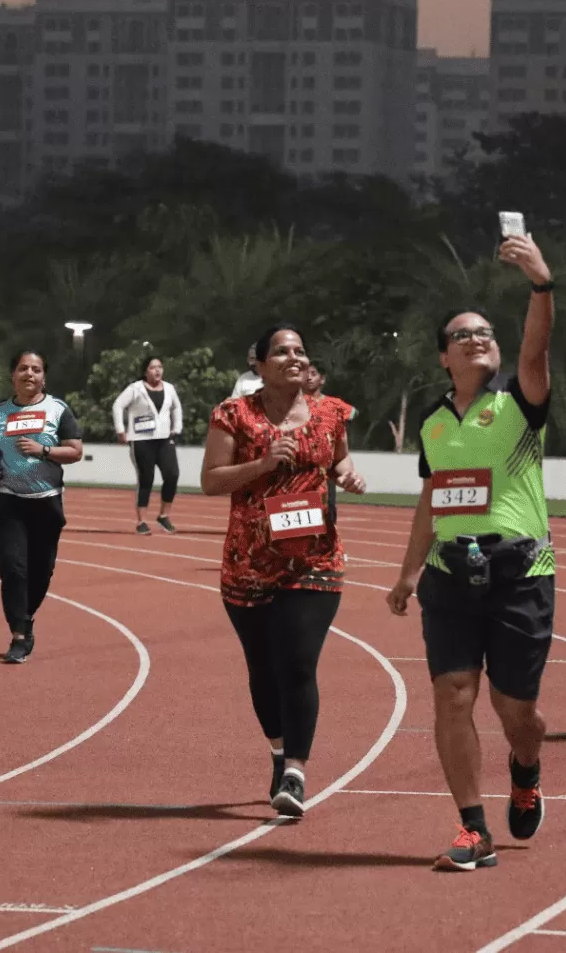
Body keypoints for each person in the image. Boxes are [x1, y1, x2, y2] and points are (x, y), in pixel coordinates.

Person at [385, 231, 556, 872]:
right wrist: (407, 572)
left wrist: (541, 285)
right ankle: (473, 828)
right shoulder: (432, 424)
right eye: (463, 334)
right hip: (450, 579)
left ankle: (526, 766)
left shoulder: (521, 400)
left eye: (485, 332)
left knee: (520, 714)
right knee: (453, 695)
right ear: (442, 358)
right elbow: (434, 498)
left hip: (521, 575)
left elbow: (537, 347)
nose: (478, 339)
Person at [201, 323, 366, 817]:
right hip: (248, 563)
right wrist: (265, 463)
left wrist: (347, 474)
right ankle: (278, 750)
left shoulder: (332, 411)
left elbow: (337, 460)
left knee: (297, 662)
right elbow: (210, 480)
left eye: (299, 351)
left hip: (315, 559)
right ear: (259, 363)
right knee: (263, 670)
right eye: (281, 351)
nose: (293, 358)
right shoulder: (234, 414)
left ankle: (295, 772)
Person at [0, 350, 84, 663]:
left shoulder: (58, 409)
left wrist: (44, 449)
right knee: (13, 569)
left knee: (41, 571)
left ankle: (25, 618)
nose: (29, 375)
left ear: (44, 377)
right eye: (23, 369)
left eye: (36, 369)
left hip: (46, 502)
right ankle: (19, 636)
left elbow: (76, 451)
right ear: (13, 375)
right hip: (7, 501)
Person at [112, 356, 183, 535]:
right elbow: (118, 406)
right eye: (153, 367)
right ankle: (142, 521)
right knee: (146, 479)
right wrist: (121, 430)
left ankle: (164, 516)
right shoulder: (135, 389)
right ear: (145, 371)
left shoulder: (169, 388)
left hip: (164, 438)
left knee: (172, 474)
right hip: (141, 440)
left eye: (160, 366)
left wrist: (177, 427)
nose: (157, 370)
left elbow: (176, 407)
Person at [305, 360, 358, 526]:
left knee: (327, 516)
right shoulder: (288, 404)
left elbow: (353, 413)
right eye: (305, 373)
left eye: (313, 374)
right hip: (297, 477)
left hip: (324, 474)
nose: (308, 377)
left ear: (322, 379)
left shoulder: (334, 405)